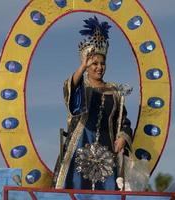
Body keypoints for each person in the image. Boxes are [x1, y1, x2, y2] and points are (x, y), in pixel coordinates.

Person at [53, 16, 132, 190]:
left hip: (107, 153)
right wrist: (81, 67)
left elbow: (124, 122)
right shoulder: (82, 87)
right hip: (79, 147)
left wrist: (122, 138)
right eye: (94, 63)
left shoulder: (115, 92)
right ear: (87, 66)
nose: (99, 67)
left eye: (102, 63)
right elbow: (70, 91)